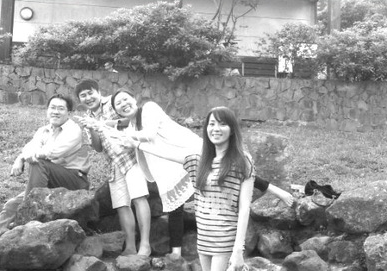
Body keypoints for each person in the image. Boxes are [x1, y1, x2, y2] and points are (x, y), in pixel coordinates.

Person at [122, 106, 253, 271]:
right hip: (205, 242)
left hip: (226, 242)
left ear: (232, 129)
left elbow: (245, 206)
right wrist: (136, 144)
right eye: (211, 124)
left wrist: (239, 249)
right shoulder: (198, 160)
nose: (215, 129)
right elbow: (165, 152)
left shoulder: (241, 161)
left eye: (222, 124)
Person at [109, 88, 294, 256]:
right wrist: (115, 129)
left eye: (125, 99)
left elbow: (149, 134)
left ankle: (276, 190)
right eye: (118, 104)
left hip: (187, 149)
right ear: (117, 111)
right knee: (175, 206)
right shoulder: (131, 127)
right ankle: (176, 252)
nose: (124, 104)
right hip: (167, 164)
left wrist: (125, 135)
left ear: (134, 99)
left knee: (232, 168)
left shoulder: (149, 108)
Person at [0, 94, 91, 264]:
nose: (56, 111)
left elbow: (51, 153)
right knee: (12, 205)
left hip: (74, 179)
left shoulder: (73, 130)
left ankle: (28, 215)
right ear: (47, 110)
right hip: (50, 180)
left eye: (61, 109)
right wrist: (20, 158)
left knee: (38, 163)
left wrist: (26, 157)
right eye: (52, 107)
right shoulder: (43, 131)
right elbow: (29, 148)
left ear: (69, 113)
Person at [73, 79, 151, 256]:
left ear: (98, 92)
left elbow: (129, 119)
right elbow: (98, 147)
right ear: (80, 99)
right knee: (122, 205)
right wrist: (91, 128)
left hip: (132, 156)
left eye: (90, 93)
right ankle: (130, 246)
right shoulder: (88, 116)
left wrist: (102, 124)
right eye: (83, 96)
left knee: (139, 198)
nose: (88, 98)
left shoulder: (113, 102)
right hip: (114, 164)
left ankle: (145, 245)